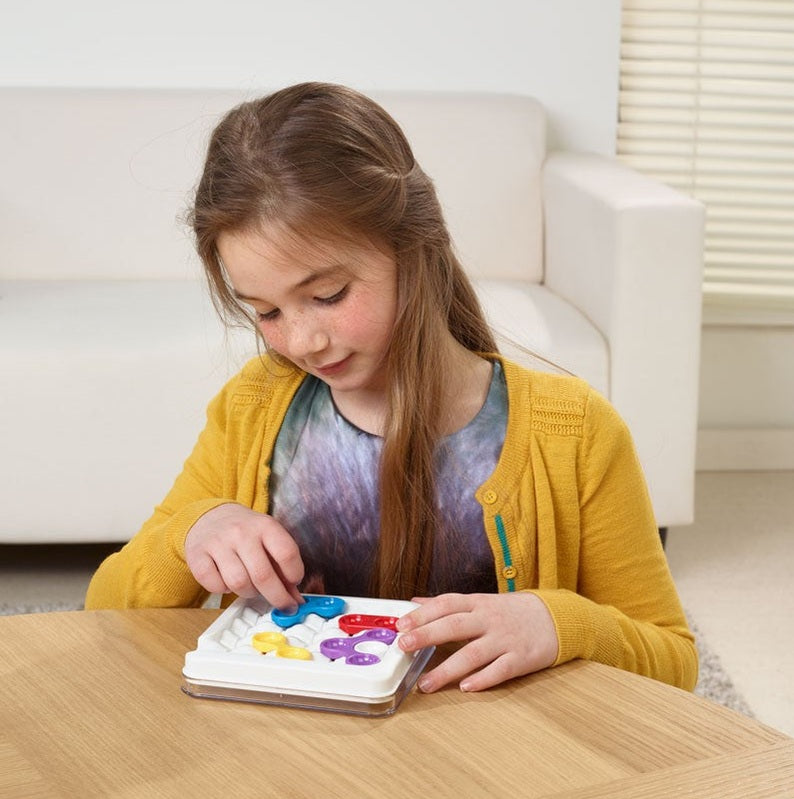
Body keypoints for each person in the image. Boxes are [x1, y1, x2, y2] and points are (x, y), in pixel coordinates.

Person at [85, 82, 698, 694]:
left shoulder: (576, 434)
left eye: (327, 296)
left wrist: (561, 623)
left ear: (414, 248)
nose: (301, 342)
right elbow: (105, 610)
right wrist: (193, 531)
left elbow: (674, 662)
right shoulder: (254, 407)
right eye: (266, 312)